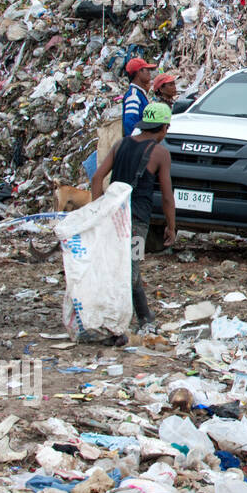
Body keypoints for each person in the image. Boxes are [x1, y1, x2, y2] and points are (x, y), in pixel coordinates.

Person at [90, 102, 177, 337]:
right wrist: (171, 226)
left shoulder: (121, 144)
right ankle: (142, 316)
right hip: (136, 221)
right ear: (164, 128)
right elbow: (168, 197)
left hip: (112, 216)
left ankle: (116, 312)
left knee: (114, 264)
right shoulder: (160, 153)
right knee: (132, 268)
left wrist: (98, 210)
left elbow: (97, 178)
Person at [122, 58, 157, 135]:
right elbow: (129, 123)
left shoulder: (140, 94)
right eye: (147, 70)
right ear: (138, 72)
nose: (149, 73)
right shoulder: (133, 95)